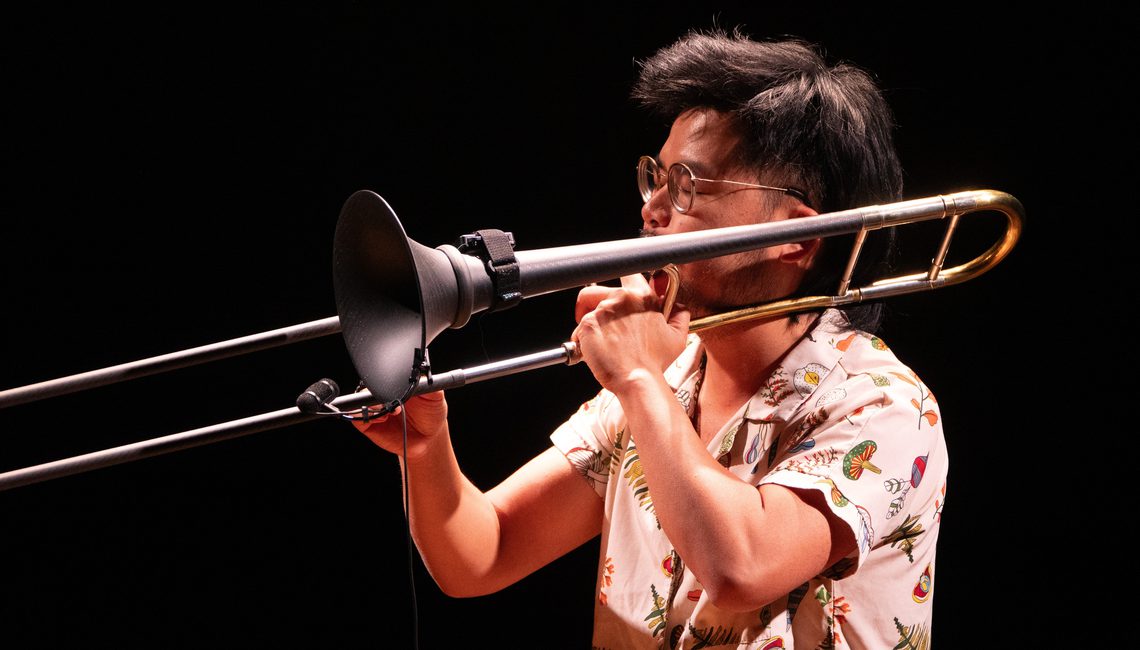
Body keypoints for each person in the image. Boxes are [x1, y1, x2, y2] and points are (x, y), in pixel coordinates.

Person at [355, 27, 946, 649]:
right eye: (656, 177)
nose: (652, 209)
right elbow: (484, 552)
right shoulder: (665, 381)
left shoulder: (883, 404)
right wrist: (426, 451)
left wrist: (638, 380)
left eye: (687, 185)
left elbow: (740, 566)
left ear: (795, 236)